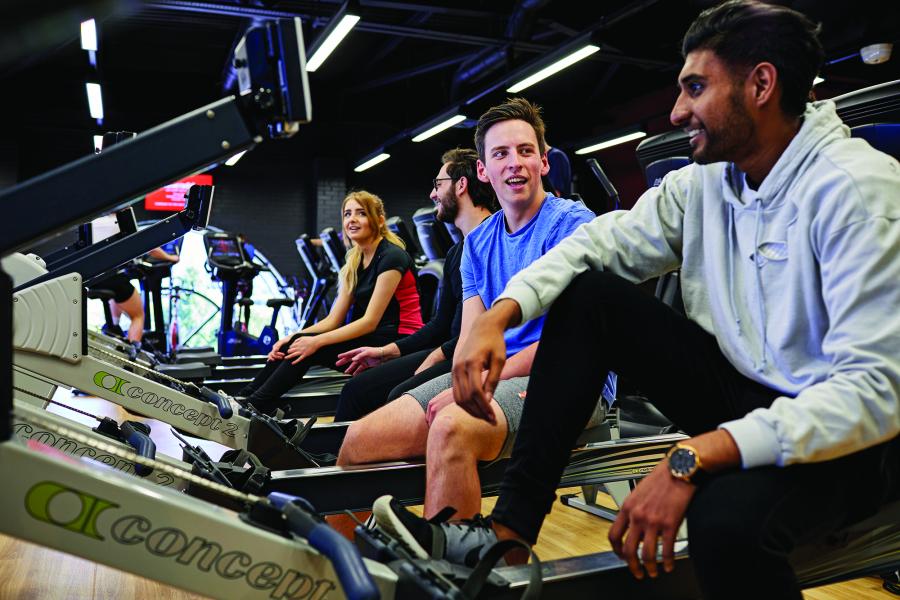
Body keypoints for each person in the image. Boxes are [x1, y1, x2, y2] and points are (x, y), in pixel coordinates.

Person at [371, 2, 900, 597]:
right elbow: (597, 244)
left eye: (695, 87)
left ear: (760, 84)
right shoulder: (706, 181)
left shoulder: (856, 189)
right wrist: (502, 311)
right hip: (751, 395)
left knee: (724, 522)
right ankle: (509, 533)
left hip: (856, 437)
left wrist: (693, 459)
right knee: (590, 292)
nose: (676, 111)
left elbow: (874, 395)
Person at [338, 98, 613, 520]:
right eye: (500, 154)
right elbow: (470, 335)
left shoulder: (571, 225)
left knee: (452, 427)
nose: (514, 164)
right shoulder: (478, 243)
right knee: (357, 442)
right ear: (483, 170)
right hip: (498, 375)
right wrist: (457, 379)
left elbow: (564, 344)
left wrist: (468, 390)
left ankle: (450, 577)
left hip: (570, 378)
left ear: (543, 161)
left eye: (524, 151)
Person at [332, 148, 497, 421]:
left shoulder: (493, 243)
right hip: (450, 350)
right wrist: (386, 353)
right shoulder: (457, 252)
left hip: (471, 356)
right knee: (357, 389)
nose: (432, 194)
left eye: (438, 185)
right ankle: (333, 460)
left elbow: (483, 328)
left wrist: (434, 357)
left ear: (462, 185)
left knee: (398, 397)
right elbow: (439, 325)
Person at [237, 190, 423, 414]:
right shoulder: (354, 261)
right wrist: (293, 337)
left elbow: (369, 322)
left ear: (379, 220)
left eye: (361, 213)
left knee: (310, 348)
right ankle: (246, 397)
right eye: (347, 214)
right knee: (296, 345)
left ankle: (257, 403)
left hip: (400, 340)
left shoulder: (392, 257)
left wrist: (315, 343)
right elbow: (333, 319)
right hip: (375, 336)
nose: (351, 220)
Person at [95, 246, 180, 343]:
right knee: (138, 315)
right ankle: (132, 352)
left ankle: (114, 325)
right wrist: (172, 257)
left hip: (91, 276)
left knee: (119, 294)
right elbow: (152, 248)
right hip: (110, 275)